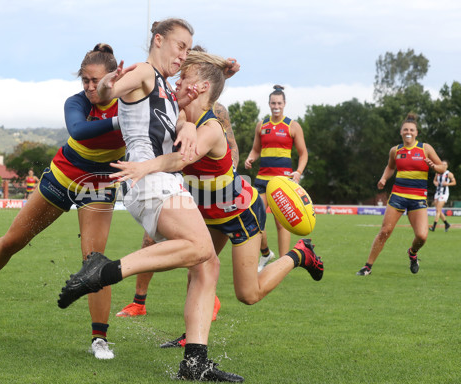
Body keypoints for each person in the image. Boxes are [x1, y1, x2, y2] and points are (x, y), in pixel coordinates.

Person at [57, 19, 243, 382]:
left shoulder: (168, 92)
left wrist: (191, 118)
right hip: (150, 181)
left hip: (161, 180)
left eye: (189, 49)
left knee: (208, 267)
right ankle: (104, 271)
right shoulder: (143, 72)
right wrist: (110, 84)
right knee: (201, 247)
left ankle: (194, 362)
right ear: (158, 41)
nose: (183, 55)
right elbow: (110, 93)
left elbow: (187, 109)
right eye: (180, 46)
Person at [110, 50, 323, 349]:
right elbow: (172, 108)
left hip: (239, 212)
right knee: (199, 268)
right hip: (204, 209)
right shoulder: (180, 111)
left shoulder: (212, 126)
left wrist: (144, 166)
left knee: (248, 294)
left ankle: (300, 255)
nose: (178, 81)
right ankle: (192, 337)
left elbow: (179, 159)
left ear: (202, 87)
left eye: (186, 77)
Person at [0, 44, 124, 360]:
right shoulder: (78, 103)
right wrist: (121, 121)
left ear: (114, 77)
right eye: (84, 80)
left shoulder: (133, 102)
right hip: (62, 176)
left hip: (98, 185)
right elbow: (79, 130)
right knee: (11, 242)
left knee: (95, 261)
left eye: (94, 80)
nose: (88, 87)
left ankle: (99, 339)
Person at [115, 46, 239, 320]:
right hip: (179, 182)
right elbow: (178, 120)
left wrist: (228, 180)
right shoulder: (173, 99)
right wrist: (187, 126)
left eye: (186, 70)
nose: (179, 75)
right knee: (160, 242)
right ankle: (140, 301)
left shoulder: (217, 114)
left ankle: (202, 308)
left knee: (204, 259)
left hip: (211, 191)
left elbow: (230, 149)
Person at [356, 113, 446, 276]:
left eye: (411, 129)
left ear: (416, 132)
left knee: (422, 236)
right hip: (398, 196)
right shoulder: (395, 151)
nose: (408, 132)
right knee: (384, 232)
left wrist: (434, 166)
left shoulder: (425, 148)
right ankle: (367, 267)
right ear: (401, 132)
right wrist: (383, 178)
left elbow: (442, 167)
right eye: (405, 129)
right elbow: (390, 167)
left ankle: (412, 253)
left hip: (418, 198)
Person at [244, 85, 308, 271]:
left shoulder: (292, 126)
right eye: (273, 103)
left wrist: (298, 172)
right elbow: (256, 150)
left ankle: (283, 264)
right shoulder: (262, 125)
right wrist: (250, 158)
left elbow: (303, 154)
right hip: (262, 179)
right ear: (269, 104)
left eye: (279, 103)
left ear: (284, 104)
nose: (276, 106)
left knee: (282, 225)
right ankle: (265, 254)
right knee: (255, 218)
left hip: (282, 182)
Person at [429, 161, 456, 232]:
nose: (443, 166)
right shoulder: (437, 173)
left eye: (445, 165)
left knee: (438, 210)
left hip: (444, 194)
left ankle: (433, 227)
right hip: (437, 192)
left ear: (447, 166)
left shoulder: (449, 174)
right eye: (442, 164)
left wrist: (447, 184)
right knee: (438, 210)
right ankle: (447, 224)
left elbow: (454, 182)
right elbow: (434, 181)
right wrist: (435, 183)